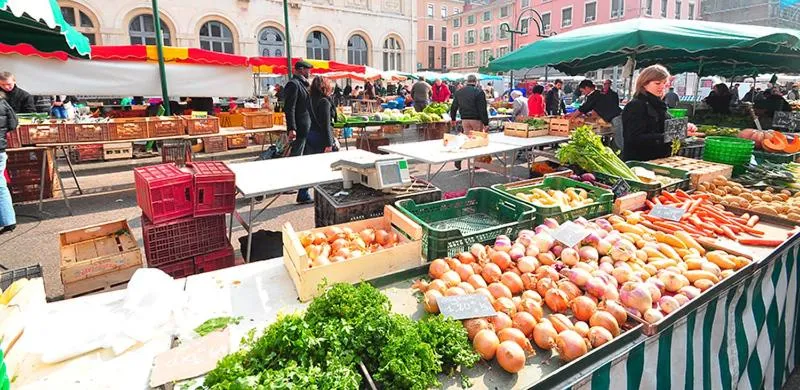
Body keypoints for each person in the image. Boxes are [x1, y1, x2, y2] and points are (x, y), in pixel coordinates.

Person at [620, 64, 672, 161]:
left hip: (659, 161)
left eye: (664, 83)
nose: (662, 87)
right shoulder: (635, 106)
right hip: (640, 163)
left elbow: (668, 123)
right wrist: (667, 136)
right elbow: (633, 138)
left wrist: (684, 127)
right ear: (644, 83)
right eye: (657, 83)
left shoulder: (659, 105)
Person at [284, 60, 315, 204]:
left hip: (306, 126)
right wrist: (292, 128)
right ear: (301, 69)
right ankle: (288, 184)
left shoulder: (303, 84)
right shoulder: (293, 84)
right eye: (308, 70)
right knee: (295, 157)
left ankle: (298, 186)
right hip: (299, 128)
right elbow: (290, 108)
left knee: (302, 158)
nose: (310, 73)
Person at [450, 74, 489, 170]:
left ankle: (459, 159)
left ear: (467, 81)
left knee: (466, 140)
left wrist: (453, 118)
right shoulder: (479, 92)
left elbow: (454, 106)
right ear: (475, 82)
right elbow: (482, 109)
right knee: (477, 141)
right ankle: (476, 163)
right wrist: (486, 123)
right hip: (476, 119)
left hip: (465, 119)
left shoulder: (459, 92)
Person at [568, 79, 623, 148]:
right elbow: (594, 110)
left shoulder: (594, 95)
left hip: (617, 118)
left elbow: (583, 108)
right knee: (617, 142)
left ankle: (624, 157)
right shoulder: (598, 94)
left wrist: (571, 117)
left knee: (619, 142)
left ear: (587, 88)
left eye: (582, 91)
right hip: (616, 117)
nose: (583, 93)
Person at [0, 91, 17, 234]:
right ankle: (8, 220)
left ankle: (8, 220)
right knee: (1, 186)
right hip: (0, 148)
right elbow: (13, 124)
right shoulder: (3, 103)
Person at [307, 76, 338, 155]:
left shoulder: (310, 100)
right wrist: (329, 144)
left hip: (311, 135)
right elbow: (326, 124)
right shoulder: (324, 101)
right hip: (321, 137)